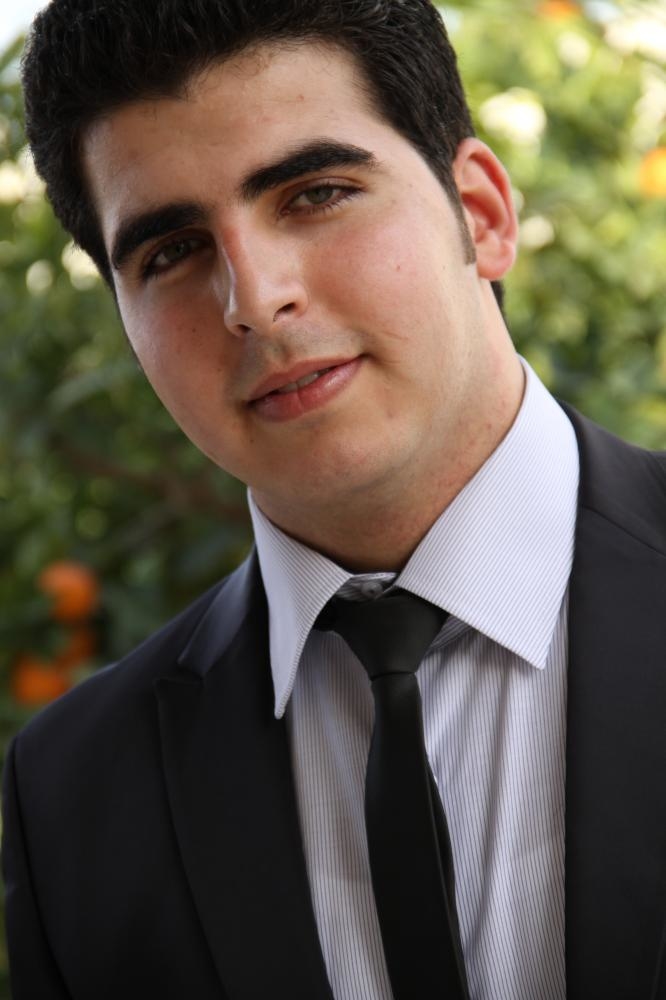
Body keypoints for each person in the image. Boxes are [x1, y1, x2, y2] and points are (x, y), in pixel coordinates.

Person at [3, 1, 665, 998]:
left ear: (482, 214)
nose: (254, 299)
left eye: (315, 193)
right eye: (172, 251)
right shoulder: (71, 795)